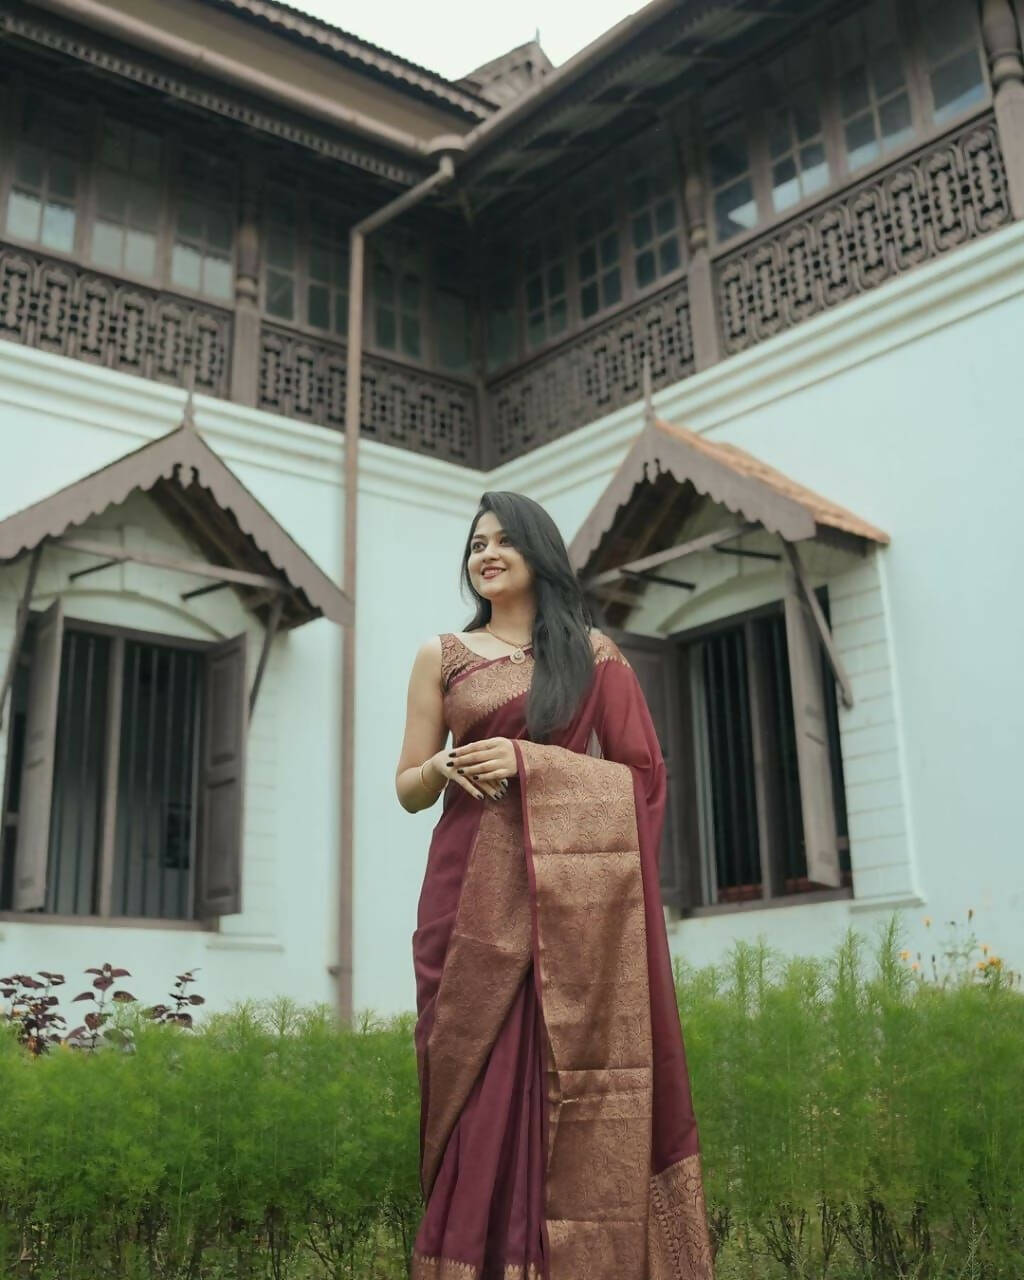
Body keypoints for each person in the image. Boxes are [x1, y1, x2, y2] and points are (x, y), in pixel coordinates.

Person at [395, 490, 714, 1280]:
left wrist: (530, 761)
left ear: (539, 554)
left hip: (567, 911)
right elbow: (406, 787)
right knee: (474, 1088)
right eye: (477, 544)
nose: (487, 554)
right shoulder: (443, 655)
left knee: (564, 1078)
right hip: (465, 896)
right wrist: (441, 766)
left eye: (504, 541)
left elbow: (643, 778)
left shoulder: (592, 656)